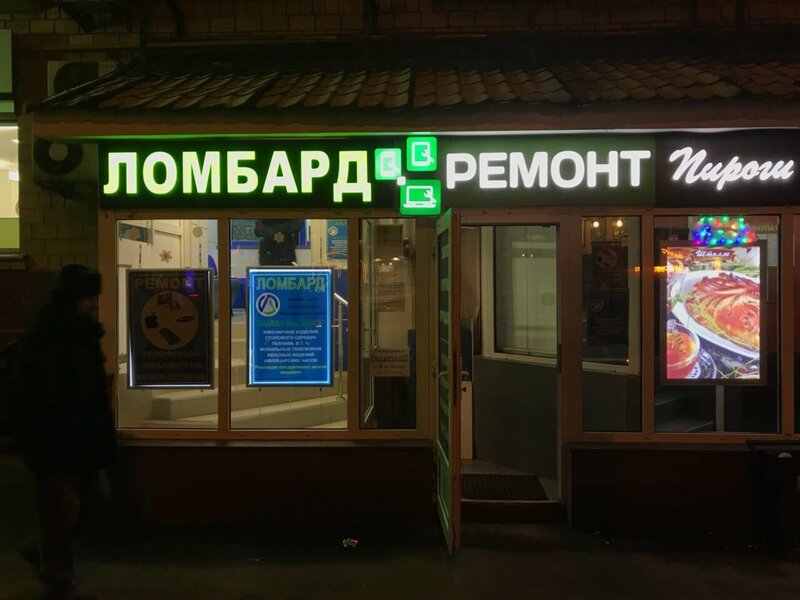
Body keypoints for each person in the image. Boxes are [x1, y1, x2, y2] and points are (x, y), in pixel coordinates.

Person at [13, 264, 116, 600]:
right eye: (87, 297)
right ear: (70, 298)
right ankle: (57, 577)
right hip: (57, 442)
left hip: (79, 439)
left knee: (84, 505)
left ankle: (44, 553)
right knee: (62, 511)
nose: (93, 304)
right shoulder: (48, 338)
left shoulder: (81, 335)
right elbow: (36, 395)